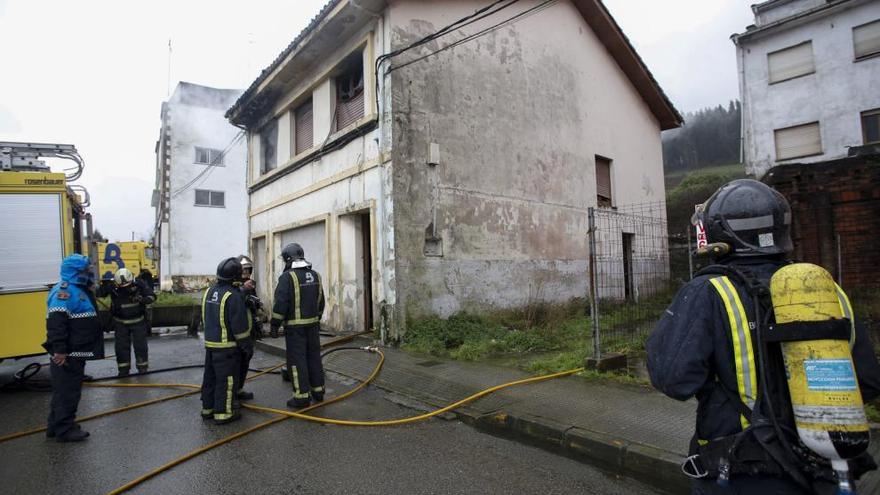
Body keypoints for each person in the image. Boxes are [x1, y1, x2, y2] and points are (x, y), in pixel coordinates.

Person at [646, 179, 880, 494]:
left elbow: (673, 379)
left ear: (721, 234)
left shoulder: (708, 292)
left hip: (742, 469)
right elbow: (867, 382)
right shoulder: (826, 291)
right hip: (828, 469)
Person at [44, 254, 104, 442]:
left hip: (75, 352)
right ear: (76, 272)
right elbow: (56, 324)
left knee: (64, 391)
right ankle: (65, 429)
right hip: (68, 354)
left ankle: (55, 426)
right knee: (68, 393)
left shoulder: (77, 289)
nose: (89, 274)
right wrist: (60, 350)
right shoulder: (64, 292)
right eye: (85, 271)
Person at [270, 243, 325, 409]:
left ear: (288, 258)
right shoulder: (315, 275)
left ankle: (301, 397)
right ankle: (318, 391)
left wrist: (274, 325)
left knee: (297, 361)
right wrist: (316, 319)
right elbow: (321, 301)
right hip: (313, 327)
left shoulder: (287, 277)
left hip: (295, 329)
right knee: (314, 357)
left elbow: (281, 303)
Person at [200, 257, 251, 424]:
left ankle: (208, 409)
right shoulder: (233, 295)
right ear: (235, 276)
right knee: (226, 380)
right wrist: (246, 346)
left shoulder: (209, 291)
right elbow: (239, 327)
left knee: (210, 378)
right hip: (227, 347)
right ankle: (224, 414)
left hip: (211, 344)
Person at [97, 267, 156, 376]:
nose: (124, 288)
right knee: (121, 348)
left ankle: (142, 368)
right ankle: (123, 370)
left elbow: (152, 297)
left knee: (140, 346)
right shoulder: (113, 286)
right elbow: (99, 293)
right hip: (120, 323)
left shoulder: (139, 284)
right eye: (121, 286)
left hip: (138, 321)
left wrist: (142, 299)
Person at [235, 254, 262, 401]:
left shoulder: (251, 284)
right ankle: (232, 392)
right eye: (243, 270)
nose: (246, 273)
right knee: (236, 361)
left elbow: (255, 306)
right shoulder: (234, 286)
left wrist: (256, 306)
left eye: (248, 269)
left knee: (246, 359)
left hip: (249, 327)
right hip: (238, 331)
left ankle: (239, 388)